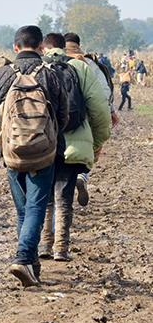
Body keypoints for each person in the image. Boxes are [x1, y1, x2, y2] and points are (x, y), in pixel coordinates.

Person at [0, 25, 68, 287]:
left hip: (12, 153)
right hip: (43, 152)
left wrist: (2, 132)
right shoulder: (51, 75)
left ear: (15, 47)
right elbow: (64, 114)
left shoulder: (2, 74)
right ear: (41, 46)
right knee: (36, 208)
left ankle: (30, 264)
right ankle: (23, 259)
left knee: (23, 211)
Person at [39, 32, 110, 261]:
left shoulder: (37, 69)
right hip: (73, 143)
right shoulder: (81, 69)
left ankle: (43, 246)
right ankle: (61, 248)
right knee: (64, 197)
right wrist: (97, 143)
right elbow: (99, 109)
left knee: (45, 196)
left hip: (42, 142)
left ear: (44, 48)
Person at [63, 32, 117, 207]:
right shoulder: (91, 64)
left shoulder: (53, 62)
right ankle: (82, 176)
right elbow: (104, 93)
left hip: (59, 121)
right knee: (86, 154)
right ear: (79, 44)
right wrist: (111, 112)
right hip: (85, 121)